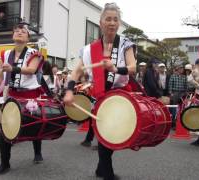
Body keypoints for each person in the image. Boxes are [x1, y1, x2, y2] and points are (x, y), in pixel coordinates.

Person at [63, 3, 136, 180]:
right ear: (101, 22)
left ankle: (100, 168)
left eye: (115, 19)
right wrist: (69, 91)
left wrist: (115, 69)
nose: (111, 23)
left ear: (119, 23)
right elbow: (76, 71)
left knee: (113, 134)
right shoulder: (89, 50)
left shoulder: (126, 44)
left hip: (120, 97)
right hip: (101, 97)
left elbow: (132, 68)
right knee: (106, 134)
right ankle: (107, 174)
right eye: (108, 19)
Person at [0, 23, 45, 176]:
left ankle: (37, 151)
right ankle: (5, 163)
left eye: (23, 31)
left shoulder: (34, 52)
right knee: (5, 128)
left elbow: (31, 70)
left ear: (28, 38)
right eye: (17, 31)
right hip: (13, 94)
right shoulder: (6, 54)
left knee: (34, 124)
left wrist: (12, 68)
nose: (20, 32)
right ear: (13, 35)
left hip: (30, 95)